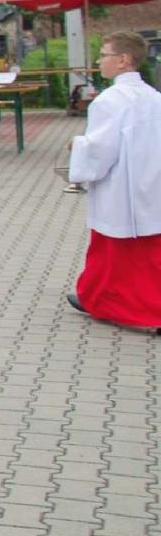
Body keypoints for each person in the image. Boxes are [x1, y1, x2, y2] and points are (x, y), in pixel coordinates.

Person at [65, 31, 161, 330]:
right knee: (148, 251)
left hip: (121, 187)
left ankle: (136, 308)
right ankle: (95, 296)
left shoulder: (110, 100)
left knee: (112, 250)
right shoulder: (154, 97)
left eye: (104, 54)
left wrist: (77, 146)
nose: (99, 61)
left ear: (123, 60)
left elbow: (101, 148)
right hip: (152, 183)